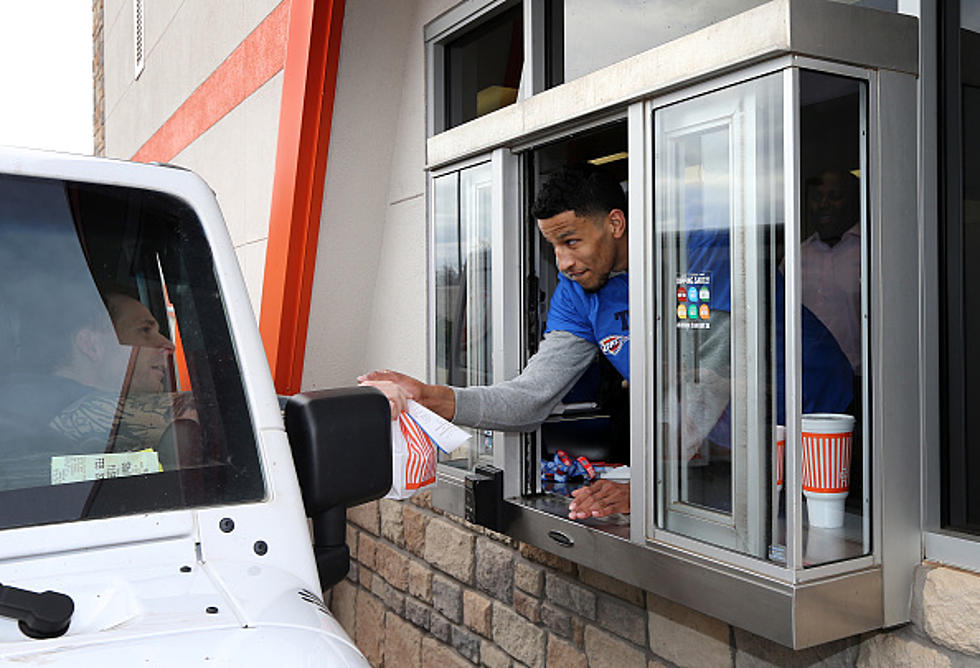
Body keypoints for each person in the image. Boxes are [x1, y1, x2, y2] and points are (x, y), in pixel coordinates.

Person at [361, 163, 632, 518]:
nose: (563, 262)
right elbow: (529, 398)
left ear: (615, 223)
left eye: (571, 241)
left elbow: (710, 385)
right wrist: (426, 396)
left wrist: (648, 489)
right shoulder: (576, 292)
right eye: (553, 246)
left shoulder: (688, 258)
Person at [801, 170, 862, 373]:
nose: (824, 204)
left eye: (834, 196)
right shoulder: (796, 257)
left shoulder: (870, 251)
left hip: (859, 379)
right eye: (817, 198)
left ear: (853, 201)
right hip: (807, 375)